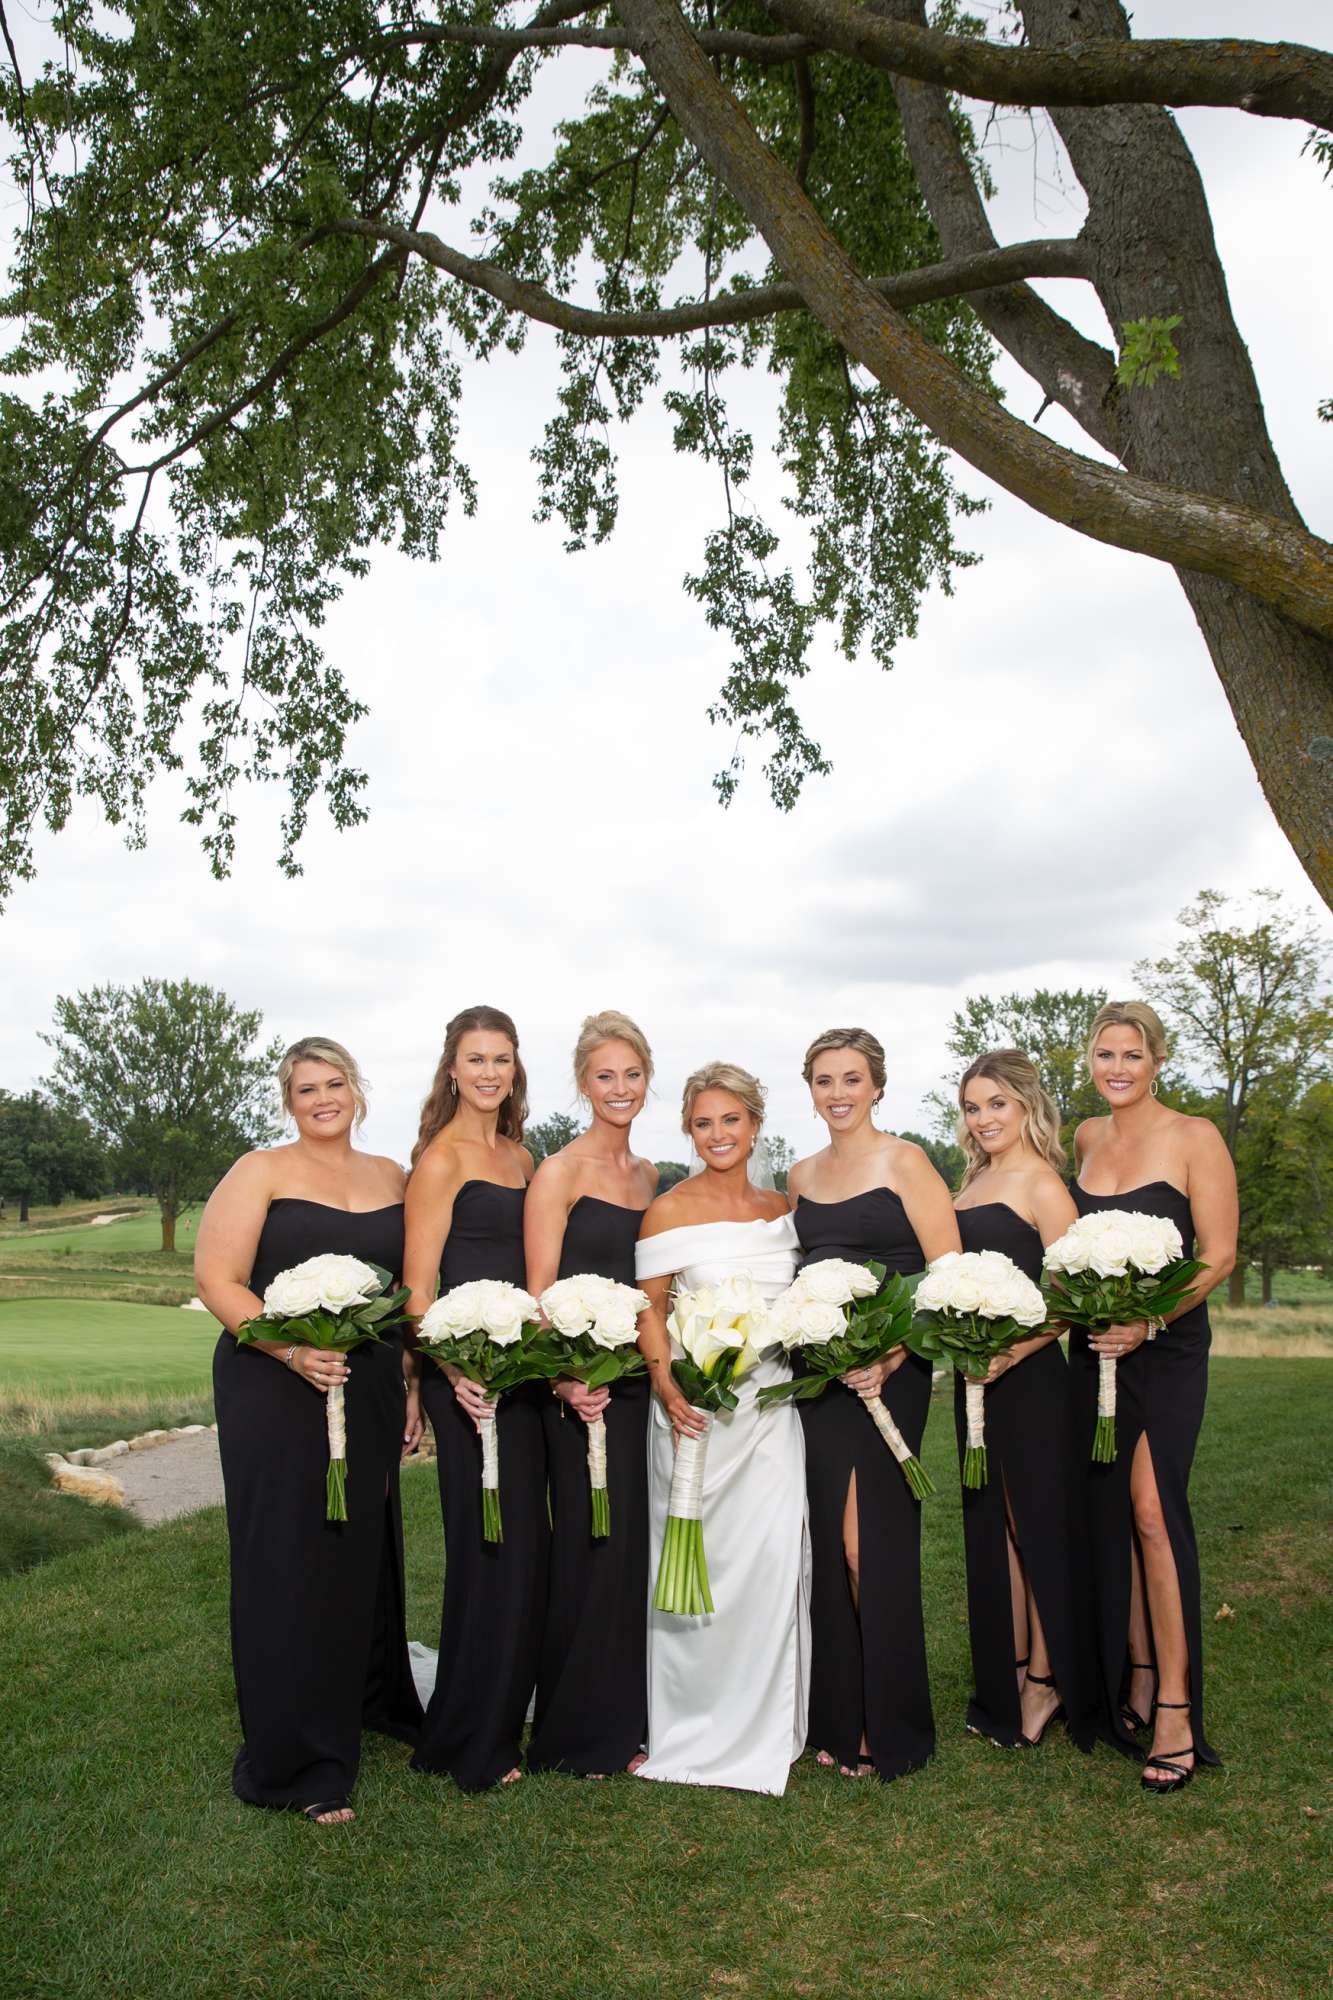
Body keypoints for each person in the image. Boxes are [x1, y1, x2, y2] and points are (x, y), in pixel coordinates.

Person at [196, 1036, 422, 1825]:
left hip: (368, 1383)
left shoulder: (392, 1175)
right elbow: (217, 1280)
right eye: (306, 1089)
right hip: (273, 1382)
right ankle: (293, 1758)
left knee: (359, 1545)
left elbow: (404, 1292)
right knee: (287, 1557)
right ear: (288, 1101)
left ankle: (367, 1698)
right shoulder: (259, 1170)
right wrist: (290, 1351)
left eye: (334, 1084)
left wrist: (409, 1383)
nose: (323, 1099)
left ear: (355, 1090)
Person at [1072, 1000, 1238, 1794]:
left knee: (1152, 1511)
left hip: (1165, 1347)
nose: (1117, 1068)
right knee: (1110, 1513)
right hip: (1094, 1352)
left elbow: (1218, 1255)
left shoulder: (1193, 1137)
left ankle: (1175, 1708)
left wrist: (1148, 1321)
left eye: (1131, 1055)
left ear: (1157, 1061)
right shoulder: (1085, 1138)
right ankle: (1134, 1675)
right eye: (1105, 1054)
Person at [788, 1028, 959, 1780]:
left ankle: (893, 1723)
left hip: (894, 1369)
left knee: (871, 1546)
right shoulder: (799, 1174)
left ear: (877, 1086)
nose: (838, 1093)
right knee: (830, 1543)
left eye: (851, 1079)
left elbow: (947, 1275)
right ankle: (838, 1714)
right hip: (822, 1377)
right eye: (824, 1080)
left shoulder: (906, 1162)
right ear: (811, 1090)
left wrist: (891, 1357)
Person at [634, 1062, 808, 1795]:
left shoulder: (783, 1209)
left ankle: (765, 1723)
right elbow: (648, 1310)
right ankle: (688, 1723)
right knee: (693, 1566)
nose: (717, 1134)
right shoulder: (667, 1211)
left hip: (770, 1415)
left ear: (754, 1124)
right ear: (688, 1129)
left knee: (768, 1564)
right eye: (703, 1123)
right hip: (694, 1415)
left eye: (730, 1119)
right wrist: (666, 1385)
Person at [403, 1005, 545, 1792]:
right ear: (452, 1070)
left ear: (514, 1068)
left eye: (501, 1059)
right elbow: (416, 1292)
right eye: (475, 1059)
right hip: (465, 1382)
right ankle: (467, 1740)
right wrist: (451, 1372)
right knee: (485, 1548)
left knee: (523, 1549)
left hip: (519, 1376)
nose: (489, 1072)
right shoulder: (440, 1161)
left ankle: (499, 1713)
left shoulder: (522, 1158)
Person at [525, 1010, 658, 1777]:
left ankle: (627, 1716)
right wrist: (563, 1379)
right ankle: (576, 1731)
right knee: (586, 1545)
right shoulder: (560, 1172)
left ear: (647, 1078)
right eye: (604, 1075)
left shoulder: (649, 1177)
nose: (619, 1088)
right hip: (576, 1392)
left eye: (631, 1074)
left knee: (628, 1549)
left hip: (637, 1389)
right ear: (583, 1083)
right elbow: (538, 1293)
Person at [953, 1049, 1097, 1751]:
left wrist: (1009, 1353)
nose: (983, 1119)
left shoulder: (1043, 1184)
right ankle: (1005, 1671)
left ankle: (1046, 1678)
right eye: (972, 1107)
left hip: (1030, 1380)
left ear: (1026, 1106)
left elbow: (1071, 1299)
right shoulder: (970, 1183)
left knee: (1030, 1523)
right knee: (992, 1525)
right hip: (973, 1382)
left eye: (996, 1104)